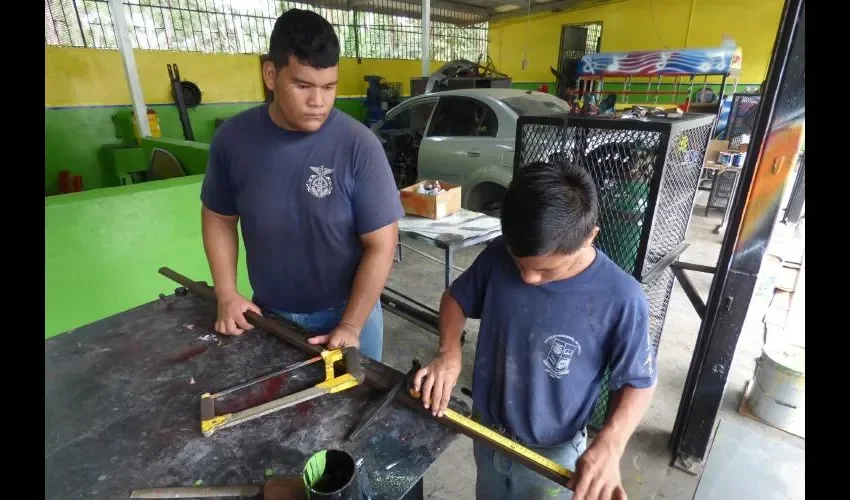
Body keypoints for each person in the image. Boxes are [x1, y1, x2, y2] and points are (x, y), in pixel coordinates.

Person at [413, 161, 657, 500]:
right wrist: (449, 351)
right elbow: (456, 298)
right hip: (488, 434)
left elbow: (638, 380)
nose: (528, 278)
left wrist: (611, 443)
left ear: (589, 236)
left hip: (554, 452)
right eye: (519, 262)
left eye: (546, 270)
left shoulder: (621, 298)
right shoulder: (498, 255)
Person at [199, 9, 403, 362]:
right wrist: (227, 293)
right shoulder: (233, 140)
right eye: (303, 86)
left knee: (358, 409)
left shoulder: (358, 146)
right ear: (270, 75)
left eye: (329, 87)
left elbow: (382, 245)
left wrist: (352, 326)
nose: (318, 102)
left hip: (348, 316)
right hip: (267, 316)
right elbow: (219, 217)